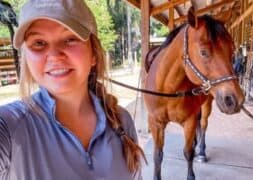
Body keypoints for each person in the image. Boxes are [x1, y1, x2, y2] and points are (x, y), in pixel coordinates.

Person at [0, 0, 145, 179]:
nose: (54, 55)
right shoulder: (9, 127)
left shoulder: (122, 121)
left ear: (94, 54)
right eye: (38, 43)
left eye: (70, 39)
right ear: (27, 59)